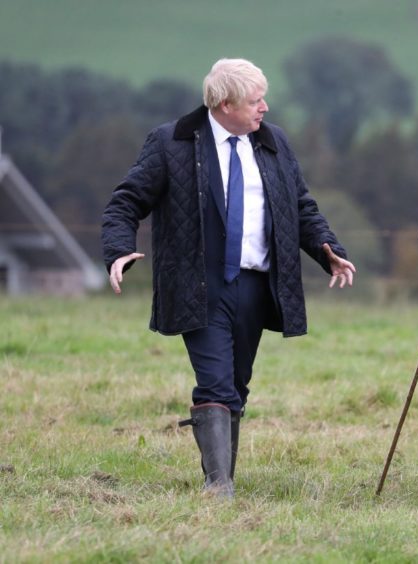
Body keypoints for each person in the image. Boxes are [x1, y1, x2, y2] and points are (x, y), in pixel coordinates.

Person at [101, 58, 356, 498]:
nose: (265, 108)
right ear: (223, 103)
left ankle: (222, 474)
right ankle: (218, 485)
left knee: (237, 383)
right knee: (216, 380)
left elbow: (300, 207)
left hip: (258, 285)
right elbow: (125, 202)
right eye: (255, 101)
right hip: (199, 286)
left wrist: (328, 252)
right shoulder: (171, 143)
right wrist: (119, 250)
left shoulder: (273, 142)